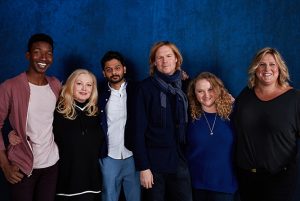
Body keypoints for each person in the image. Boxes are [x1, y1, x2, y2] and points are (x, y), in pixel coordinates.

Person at [233, 47, 300, 201]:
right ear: (255, 68)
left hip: (280, 179)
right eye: (262, 64)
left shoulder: (295, 99)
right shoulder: (246, 94)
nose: (267, 69)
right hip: (247, 176)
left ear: (280, 68)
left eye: (272, 64)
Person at [0, 33, 61, 201]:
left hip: (51, 165)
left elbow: (68, 115)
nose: (43, 57)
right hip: (22, 166)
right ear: (28, 55)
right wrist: (5, 166)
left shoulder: (56, 85)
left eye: (48, 53)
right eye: (37, 52)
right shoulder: (10, 86)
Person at [133, 41, 192, 201]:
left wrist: (226, 99)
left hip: (180, 160)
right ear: (154, 62)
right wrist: (143, 167)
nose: (165, 61)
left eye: (168, 56)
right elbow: (137, 131)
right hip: (154, 163)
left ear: (176, 60)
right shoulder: (144, 88)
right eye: (160, 57)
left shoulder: (187, 85)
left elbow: (207, 96)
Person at [53, 69, 104, 201]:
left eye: (89, 85)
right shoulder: (58, 110)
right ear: (71, 85)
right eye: (79, 83)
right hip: (68, 179)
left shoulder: (96, 112)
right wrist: (15, 134)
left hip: (92, 180)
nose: (84, 88)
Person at [186, 72, 237, 201]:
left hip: (225, 185)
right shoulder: (189, 117)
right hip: (196, 185)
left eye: (210, 89)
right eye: (200, 91)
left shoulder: (233, 113)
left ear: (218, 89)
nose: (206, 95)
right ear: (194, 94)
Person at [99, 51, 140, 201]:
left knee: (135, 197)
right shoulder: (98, 94)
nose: (114, 72)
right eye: (109, 69)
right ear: (104, 73)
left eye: (117, 68)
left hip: (134, 155)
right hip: (109, 155)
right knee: (109, 197)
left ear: (124, 69)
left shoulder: (138, 90)